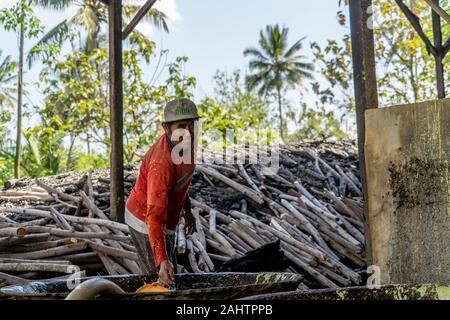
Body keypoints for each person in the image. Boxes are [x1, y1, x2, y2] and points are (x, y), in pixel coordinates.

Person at [125, 98, 199, 287]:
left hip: (164, 216)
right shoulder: (161, 163)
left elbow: (180, 183)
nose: (188, 130)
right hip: (146, 219)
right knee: (160, 280)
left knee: (170, 276)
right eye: (182, 125)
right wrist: (161, 260)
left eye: (192, 124)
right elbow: (154, 217)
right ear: (166, 128)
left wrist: (187, 210)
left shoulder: (185, 145)